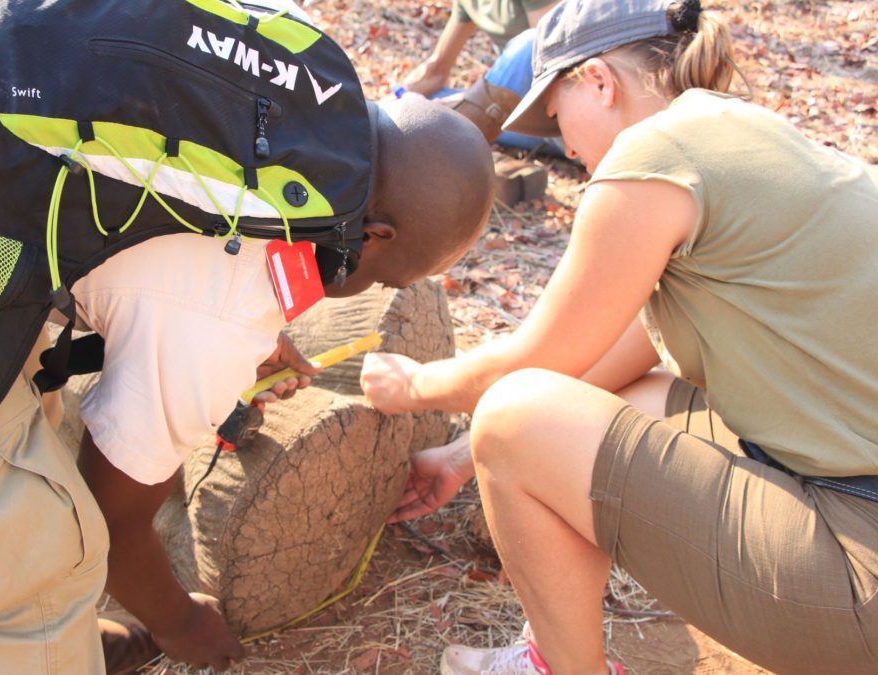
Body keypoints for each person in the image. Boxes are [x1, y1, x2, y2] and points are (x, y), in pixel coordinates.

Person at [0, 2, 495, 674]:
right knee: (37, 558)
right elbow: (116, 522)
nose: (367, 288)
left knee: (28, 424)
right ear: (375, 234)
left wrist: (216, 342)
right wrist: (179, 622)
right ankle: (35, 636)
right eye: (379, 278)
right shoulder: (227, 311)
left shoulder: (280, 51)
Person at [361, 0, 878, 673]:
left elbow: (535, 362)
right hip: (851, 491)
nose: (566, 146)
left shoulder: (654, 154)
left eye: (556, 116)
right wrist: (464, 456)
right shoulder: (734, 134)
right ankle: (552, 648)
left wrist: (414, 386)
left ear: (599, 81)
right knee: (641, 396)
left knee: (514, 414)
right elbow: (618, 353)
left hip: (858, 563)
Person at [400, 0, 562, 149]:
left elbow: (551, 55)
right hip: (528, 124)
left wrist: (473, 101)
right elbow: (437, 69)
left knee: (529, 43)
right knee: (426, 104)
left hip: (562, 121)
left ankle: (439, 149)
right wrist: (396, 100)